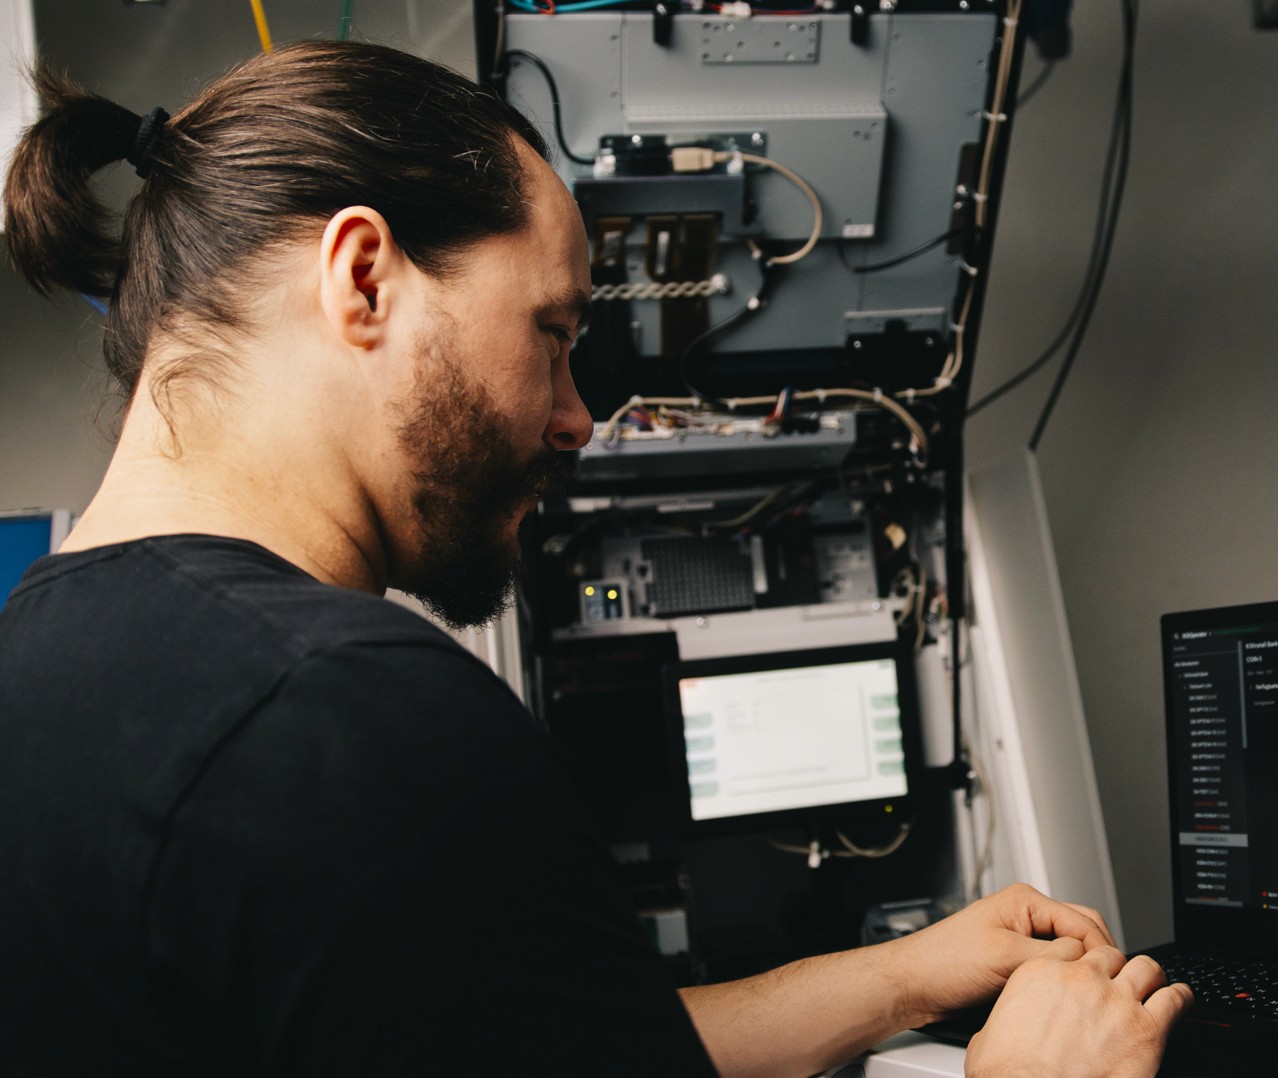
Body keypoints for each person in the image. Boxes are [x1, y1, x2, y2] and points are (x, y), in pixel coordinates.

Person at [0, 40, 1190, 1077]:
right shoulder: (347, 715)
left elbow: (527, 1044)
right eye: (554, 332)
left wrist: (900, 978)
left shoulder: (41, 660)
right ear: (364, 277)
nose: (576, 417)